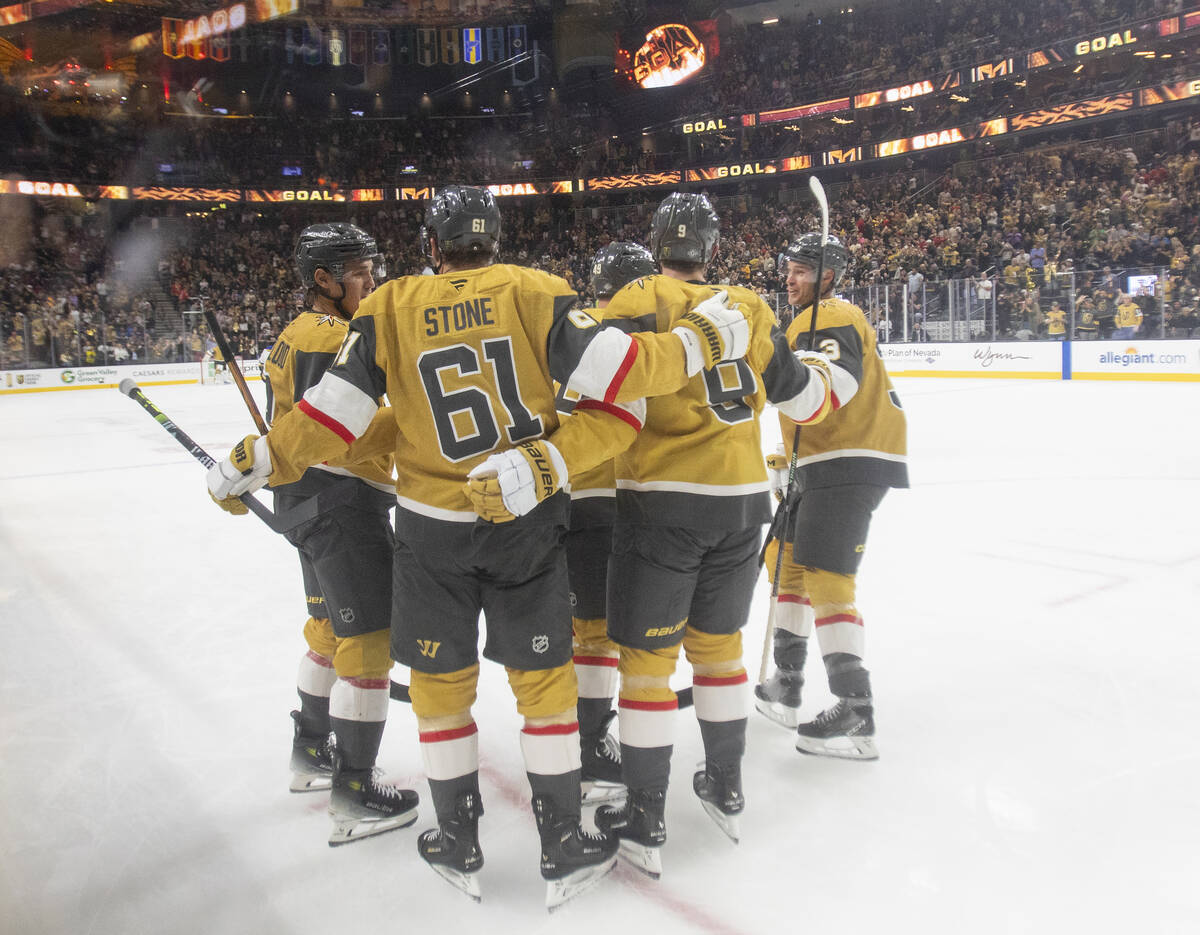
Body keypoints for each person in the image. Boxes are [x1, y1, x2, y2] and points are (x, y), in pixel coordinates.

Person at [206, 185, 751, 908]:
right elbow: (623, 379)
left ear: (432, 246)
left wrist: (263, 458)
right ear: (494, 239)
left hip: (430, 527)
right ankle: (562, 839)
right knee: (545, 678)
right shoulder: (538, 292)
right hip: (523, 515)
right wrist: (703, 339)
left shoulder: (389, 306)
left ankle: (456, 834)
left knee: (440, 685)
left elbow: (330, 418)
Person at [585, 193, 835, 877]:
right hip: (741, 504)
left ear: (658, 241)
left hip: (662, 503)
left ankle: (644, 812)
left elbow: (597, 377)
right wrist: (815, 374)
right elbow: (806, 399)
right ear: (714, 248)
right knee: (719, 652)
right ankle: (726, 782)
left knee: (646, 664)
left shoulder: (636, 294)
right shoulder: (751, 305)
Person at [258, 222, 419, 846]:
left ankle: (311, 752)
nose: (370, 279)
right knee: (368, 641)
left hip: (306, 497)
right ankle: (355, 790)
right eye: (357, 271)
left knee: (328, 629)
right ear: (322, 281)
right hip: (341, 499)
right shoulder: (330, 335)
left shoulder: (298, 332)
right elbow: (335, 423)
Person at [755, 232, 909, 761]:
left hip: (847, 461)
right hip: (826, 462)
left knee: (826, 577)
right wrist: (788, 459)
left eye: (800, 271)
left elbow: (828, 388)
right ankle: (789, 681)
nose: (790, 279)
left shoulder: (829, 315)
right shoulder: (815, 318)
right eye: (790, 269)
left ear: (828, 275)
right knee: (789, 564)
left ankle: (856, 712)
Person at [561, 242, 658, 806]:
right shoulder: (630, 342)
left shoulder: (565, 332)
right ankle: (592, 746)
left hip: (557, 497)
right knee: (597, 635)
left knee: (576, 630)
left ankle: (576, 731)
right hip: (605, 500)